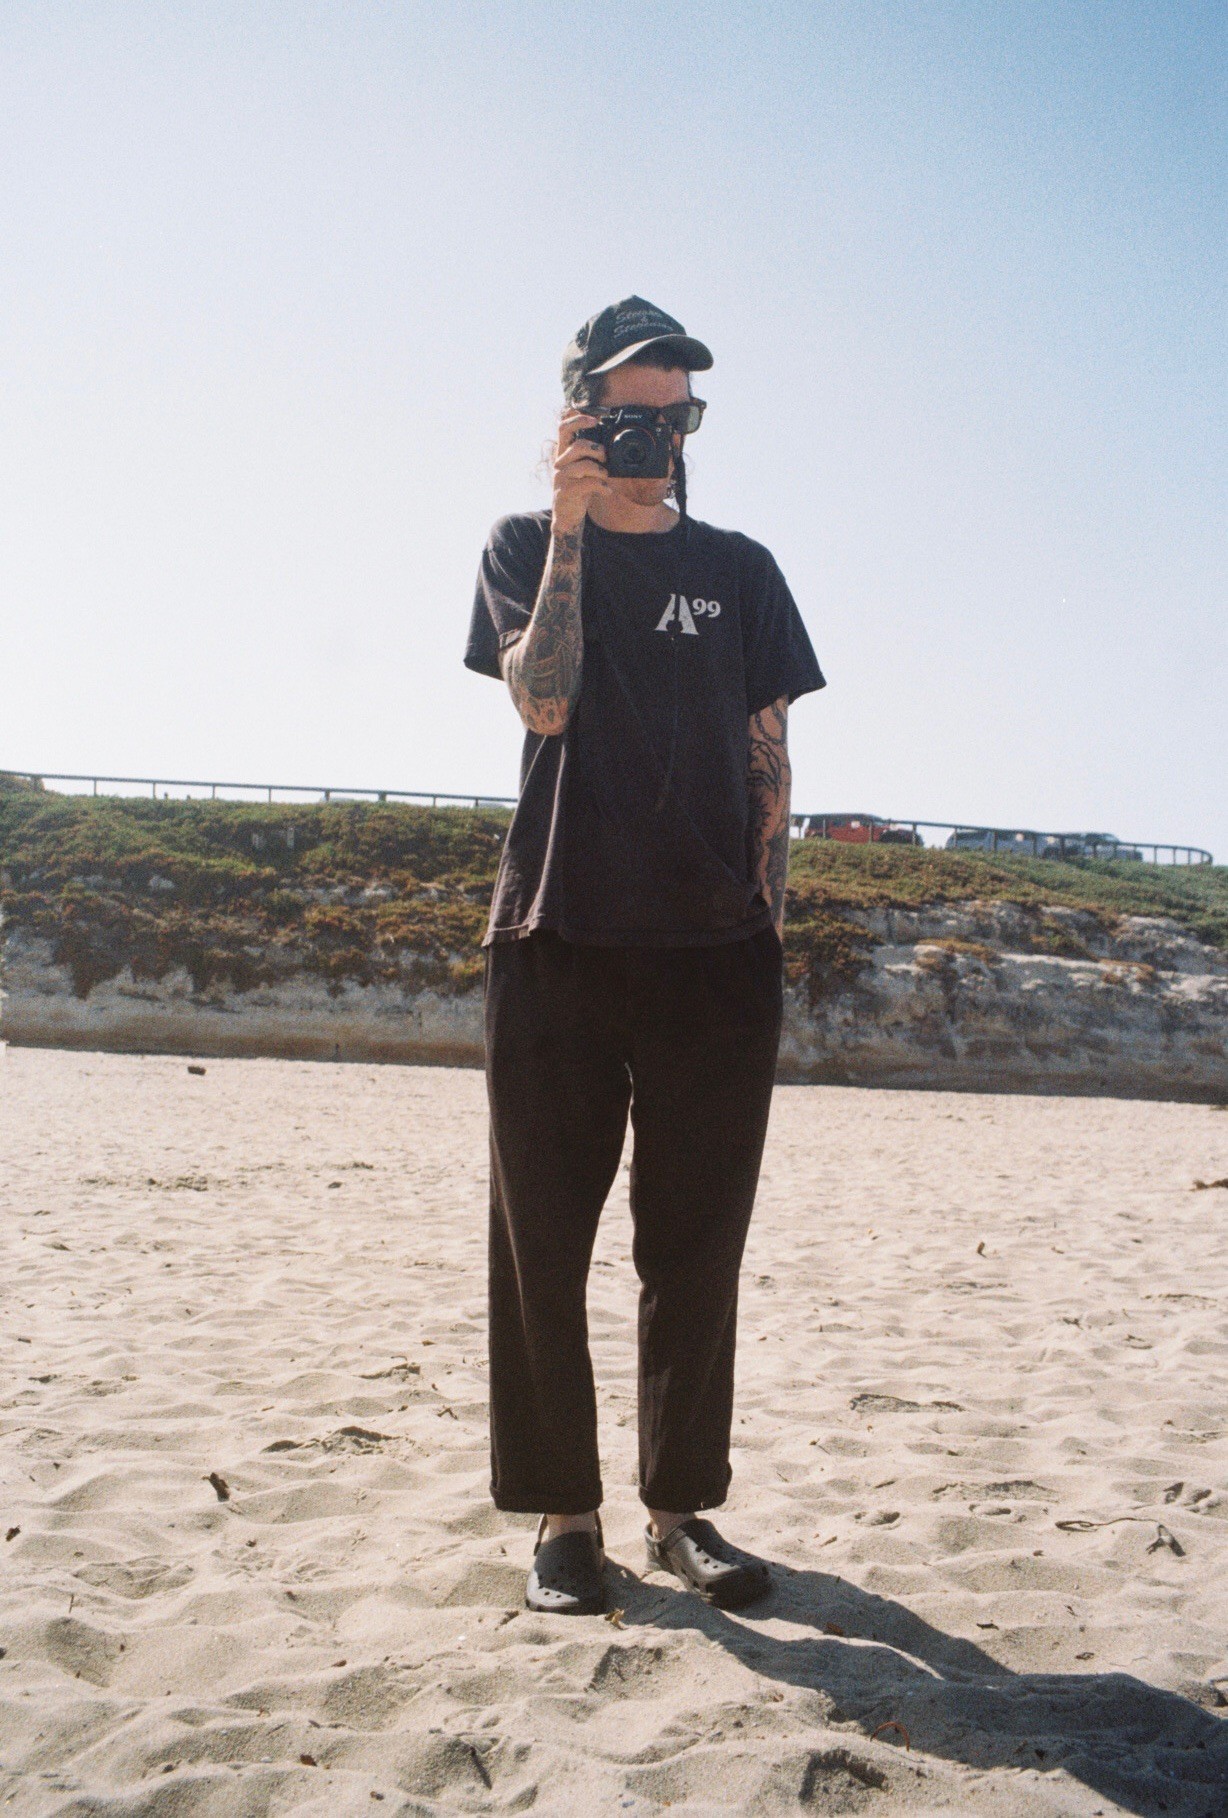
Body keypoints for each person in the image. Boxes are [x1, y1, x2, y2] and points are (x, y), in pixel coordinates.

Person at [464, 296, 825, 1614]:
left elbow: (772, 756)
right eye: (633, 413)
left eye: (681, 416)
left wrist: (765, 926)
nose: (659, 437)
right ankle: (565, 1516)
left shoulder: (743, 570)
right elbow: (543, 699)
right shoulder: (524, 545)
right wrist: (570, 527)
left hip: (714, 958)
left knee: (694, 1249)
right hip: (555, 936)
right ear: (579, 414)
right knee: (541, 1247)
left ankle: (683, 1510)